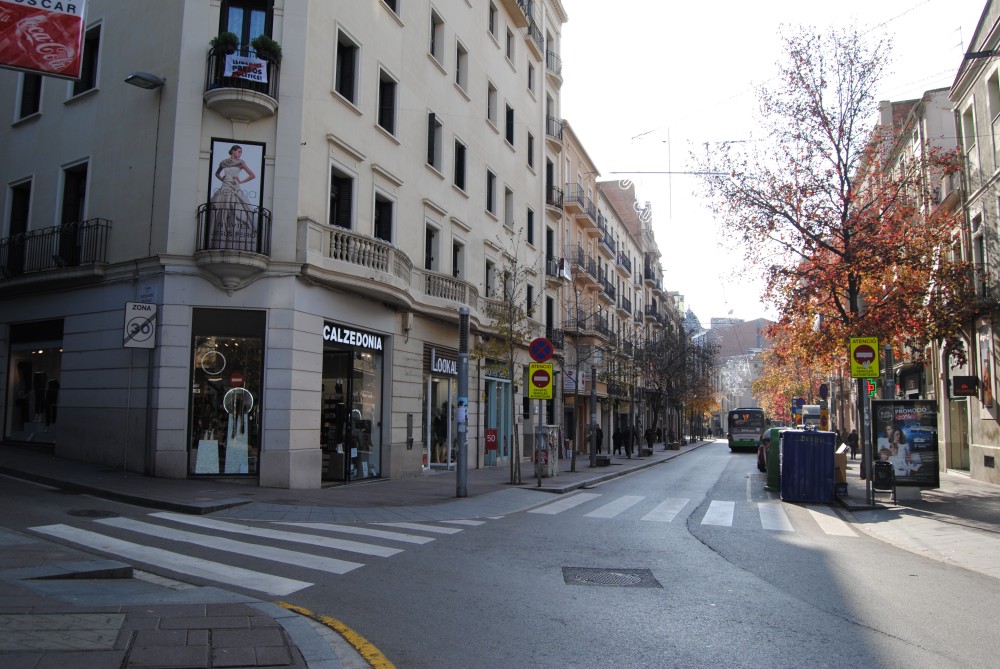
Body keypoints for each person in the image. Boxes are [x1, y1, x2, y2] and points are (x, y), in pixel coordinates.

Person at [209, 144, 257, 251]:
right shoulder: (224, 162)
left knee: (236, 210)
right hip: (225, 187)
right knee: (221, 210)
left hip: (235, 187)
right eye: (239, 151)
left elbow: (252, 175)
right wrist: (222, 179)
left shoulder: (241, 163)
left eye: (241, 152)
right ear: (233, 151)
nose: (240, 154)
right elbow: (217, 174)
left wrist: (241, 181)